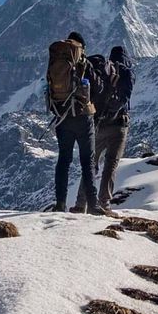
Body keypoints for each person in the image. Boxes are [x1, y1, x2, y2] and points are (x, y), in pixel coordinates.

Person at [71, 46, 135, 213]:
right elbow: (125, 98)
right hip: (119, 126)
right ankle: (104, 204)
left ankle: (80, 205)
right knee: (110, 166)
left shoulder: (103, 72)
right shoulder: (127, 72)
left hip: (98, 125)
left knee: (91, 165)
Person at [47, 31, 105, 215]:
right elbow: (99, 88)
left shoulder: (57, 59)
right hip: (83, 117)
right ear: (81, 47)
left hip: (62, 117)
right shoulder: (83, 63)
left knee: (63, 160)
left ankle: (60, 203)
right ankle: (93, 205)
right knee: (87, 162)